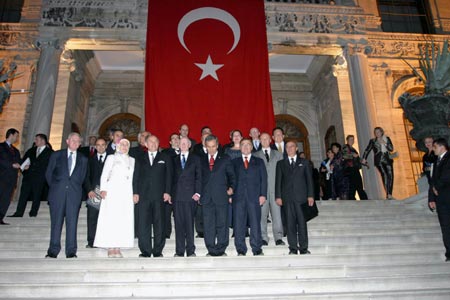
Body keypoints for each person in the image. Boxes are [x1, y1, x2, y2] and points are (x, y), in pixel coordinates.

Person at [45, 132, 88, 258]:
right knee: (56, 223)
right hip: (57, 194)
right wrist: (56, 188)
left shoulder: (83, 159)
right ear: (67, 141)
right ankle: (53, 250)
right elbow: (49, 174)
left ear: (80, 144)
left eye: (78, 141)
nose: (75, 142)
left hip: (74, 195)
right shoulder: (56, 155)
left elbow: (82, 177)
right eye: (73, 140)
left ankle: (71, 251)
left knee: (72, 223)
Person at [94, 139, 136, 258]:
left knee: (122, 219)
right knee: (111, 218)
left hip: (126, 193)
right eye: (122, 144)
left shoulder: (132, 160)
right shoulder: (111, 157)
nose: (124, 146)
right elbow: (104, 173)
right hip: (112, 192)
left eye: (127, 144)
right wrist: (103, 189)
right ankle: (110, 247)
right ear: (117, 146)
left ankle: (118, 246)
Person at [133, 135, 173, 257]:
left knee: (159, 223)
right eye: (151, 141)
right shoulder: (139, 158)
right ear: (146, 144)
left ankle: (157, 251)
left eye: (156, 141)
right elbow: (136, 177)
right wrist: (135, 192)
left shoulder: (165, 157)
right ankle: (145, 250)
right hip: (143, 196)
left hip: (159, 196)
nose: (153, 143)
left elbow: (169, 176)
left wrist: (167, 192)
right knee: (143, 224)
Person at [275, 141, 314, 255]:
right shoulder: (281, 164)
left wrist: (310, 195)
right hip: (287, 199)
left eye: (292, 146)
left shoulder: (304, 162)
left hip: (301, 198)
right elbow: (278, 182)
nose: (289, 148)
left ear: (296, 148)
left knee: (302, 223)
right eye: (287, 147)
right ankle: (292, 248)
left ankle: (303, 248)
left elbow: (309, 181)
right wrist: (278, 196)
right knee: (290, 224)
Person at [201, 135, 235, 256]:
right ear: (205, 146)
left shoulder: (225, 158)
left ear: (217, 145)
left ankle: (221, 249)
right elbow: (198, 178)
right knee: (208, 225)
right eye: (208, 147)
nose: (211, 149)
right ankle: (210, 249)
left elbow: (232, 176)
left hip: (221, 196)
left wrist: (231, 188)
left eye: (213, 146)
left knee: (222, 224)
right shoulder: (201, 159)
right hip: (206, 198)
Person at [232, 139, 267, 256]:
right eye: (243, 145)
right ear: (240, 147)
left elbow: (264, 179)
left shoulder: (259, 161)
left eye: (248, 145)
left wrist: (263, 194)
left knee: (255, 223)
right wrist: (230, 194)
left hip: (254, 197)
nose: (246, 147)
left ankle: (257, 248)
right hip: (238, 197)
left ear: (252, 147)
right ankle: (241, 249)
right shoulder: (234, 162)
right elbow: (230, 180)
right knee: (239, 224)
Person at [9, 133, 53, 218]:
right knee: (23, 195)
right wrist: (24, 169)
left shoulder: (50, 153)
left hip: (40, 178)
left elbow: (50, 167)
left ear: (43, 141)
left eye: (37, 139)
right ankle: (19, 212)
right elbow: (24, 161)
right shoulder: (31, 150)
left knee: (37, 196)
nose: (35, 141)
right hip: (28, 177)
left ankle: (33, 213)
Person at [172, 137, 202, 257]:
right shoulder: (173, 159)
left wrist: (198, 193)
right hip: (177, 196)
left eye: (185, 143)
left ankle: (190, 250)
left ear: (189, 145)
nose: (183, 145)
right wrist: (169, 193)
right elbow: (170, 178)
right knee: (178, 225)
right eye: (181, 143)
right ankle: (179, 251)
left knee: (189, 224)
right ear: (178, 145)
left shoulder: (196, 159)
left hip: (191, 196)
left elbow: (199, 176)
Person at [254, 133, 285, 246]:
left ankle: (278, 237)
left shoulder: (278, 154)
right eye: (262, 139)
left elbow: (283, 174)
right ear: (260, 141)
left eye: (266, 138)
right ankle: (263, 237)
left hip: (276, 189)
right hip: (261, 191)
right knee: (262, 215)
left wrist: (281, 191)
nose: (265, 140)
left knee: (277, 215)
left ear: (270, 140)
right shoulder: (255, 155)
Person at [428, 138, 450, 262]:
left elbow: (447, 176)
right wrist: (431, 198)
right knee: (445, 227)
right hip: (441, 200)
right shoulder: (436, 161)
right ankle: (449, 252)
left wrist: (437, 187)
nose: (433, 149)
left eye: (435, 147)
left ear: (442, 147)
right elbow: (433, 180)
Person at [84, 137, 108, 248]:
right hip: (95, 192)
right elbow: (86, 176)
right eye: (98, 145)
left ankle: (106, 240)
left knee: (107, 218)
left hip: (108, 192)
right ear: (95, 147)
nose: (101, 147)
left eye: (103, 144)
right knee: (92, 217)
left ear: (106, 146)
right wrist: (89, 190)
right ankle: (91, 241)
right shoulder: (90, 160)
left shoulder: (112, 159)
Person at [362, 127, 395, 200]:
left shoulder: (387, 138)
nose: (377, 133)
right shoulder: (373, 141)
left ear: (381, 132)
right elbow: (367, 150)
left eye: (378, 132)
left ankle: (389, 193)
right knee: (384, 175)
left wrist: (385, 143)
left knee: (391, 176)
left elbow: (391, 149)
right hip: (379, 160)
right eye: (375, 132)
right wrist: (364, 158)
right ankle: (388, 194)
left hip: (388, 159)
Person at [161, 133, 181, 239]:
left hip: (181, 187)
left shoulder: (185, 152)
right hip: (168, 186)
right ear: (170, 142)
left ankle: (181, 233)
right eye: (173, 139)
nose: (175, 140)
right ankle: (166, 233)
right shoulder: (165, 153)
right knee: (166, 212)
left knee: (180, 213)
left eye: (177, 138)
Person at [0, 128, 21, 225]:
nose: (17, 138)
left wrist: (23, 166)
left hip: (11, 180)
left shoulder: (16, 151)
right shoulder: (1, 147)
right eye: (16, 136)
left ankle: (0, 218)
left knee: (6, 200)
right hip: (2, 178)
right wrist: (11, 165)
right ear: (11, 135)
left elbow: (19, 162)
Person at [343, 135, 368, 200]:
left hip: (354, 169)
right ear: (347, 140)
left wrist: (364, 162)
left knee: (357, 185)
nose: (352, 141)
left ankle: (360, 199)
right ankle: (360, 199)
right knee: (355, 185)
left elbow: (357, 158)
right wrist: (353, 155)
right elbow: (344, 156)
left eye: (353, 139)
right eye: (350, 139)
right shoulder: (345, 147)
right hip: (350, 169)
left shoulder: (353, 149)